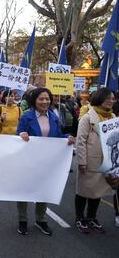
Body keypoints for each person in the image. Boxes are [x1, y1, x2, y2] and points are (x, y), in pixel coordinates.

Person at [17, 87, 74, 236]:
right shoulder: (26, 117)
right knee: (24, 189)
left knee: (44, 189)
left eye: (47, 99)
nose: (45, 101)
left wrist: (67, 138)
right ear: (34, 100)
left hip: (47, 162)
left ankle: (40, 219)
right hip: (28, 161)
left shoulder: (54, 117)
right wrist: (21, 135)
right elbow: (18, 135)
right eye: (41, 99)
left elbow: (58, 136)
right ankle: (22, 219)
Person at [75, 88, 115, 234]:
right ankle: (80, 218)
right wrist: (82, 161)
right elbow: (81, 141)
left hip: (106, 161)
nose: (111, 101)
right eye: (108, 98)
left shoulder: (112, 117)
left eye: (113, 98)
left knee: (98, 191)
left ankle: (92, 217)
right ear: (99, 99)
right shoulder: (87, 118)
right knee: (83, 191)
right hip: (90, 161)